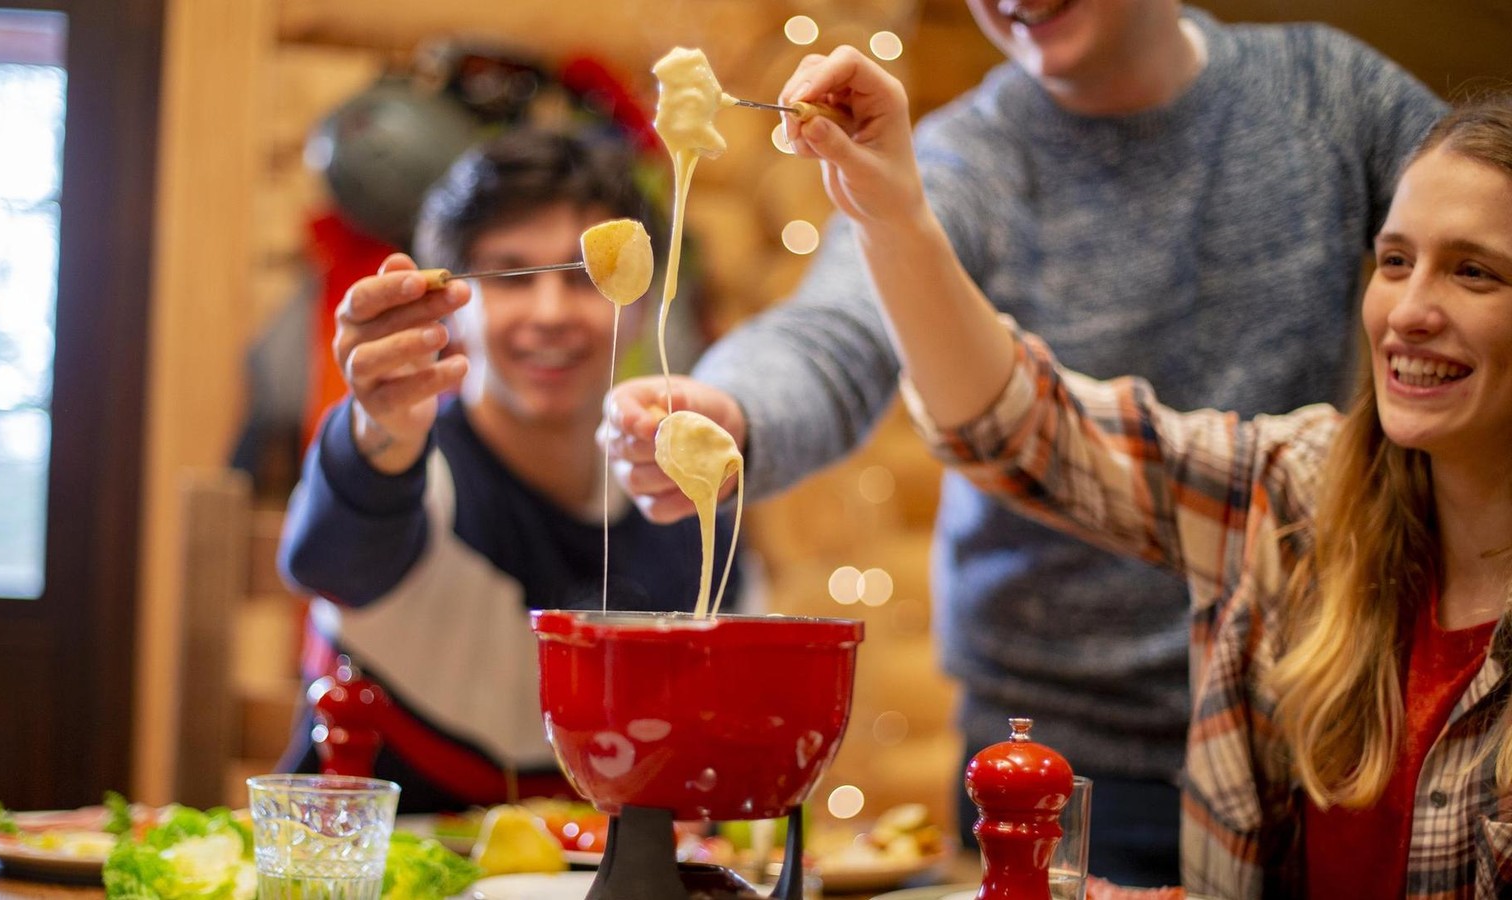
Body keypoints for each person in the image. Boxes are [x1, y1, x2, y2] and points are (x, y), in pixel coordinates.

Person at [603, 2, 1442, 883]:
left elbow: (1479, 224)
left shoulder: (1327, 93)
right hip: (1041, 757)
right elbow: (836, 331)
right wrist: (728, 409)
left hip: (1314, 732)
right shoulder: (963, 156)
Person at [781, 48, 1512, 895]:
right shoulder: (1302, 492)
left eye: (1473, 272)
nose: (1410, 311)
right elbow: (1026, 428)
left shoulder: (1320, 84)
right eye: (1394, 261)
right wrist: (891, 212)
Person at [277, 127, 741, 812]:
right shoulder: (413, 467)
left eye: (587, 278)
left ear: (643, 306)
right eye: (512, 276)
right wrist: (377, 429)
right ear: (454, 306)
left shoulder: (682, 505)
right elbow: (328, 563)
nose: (550, 314)